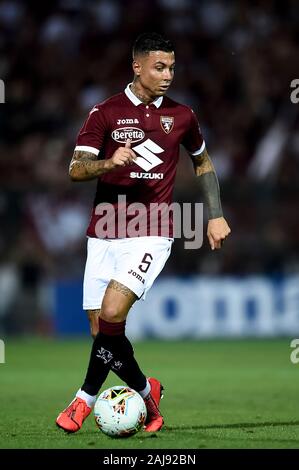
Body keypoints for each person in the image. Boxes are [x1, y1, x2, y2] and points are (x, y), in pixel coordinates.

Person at [56, 32, 231, 434]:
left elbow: (202, 163)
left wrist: (215, 214)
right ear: (137, 67)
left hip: (151, 230)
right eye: (159, 67)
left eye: (171, 66)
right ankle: (147, 394)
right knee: (103, 333)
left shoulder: (183, 115)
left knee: (114, 314)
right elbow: (75, 170)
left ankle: (82, 402)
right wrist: (109, 162)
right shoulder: (105, 112)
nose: (168, 74)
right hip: (102, 232)